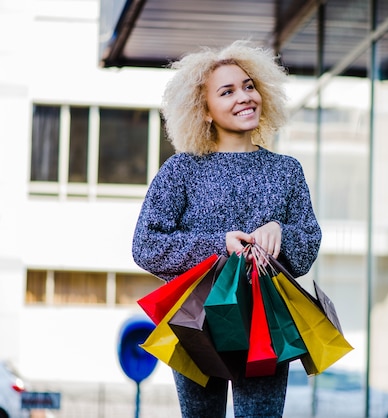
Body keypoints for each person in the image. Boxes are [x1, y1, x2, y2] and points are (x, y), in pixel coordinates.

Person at [131, 40, 322, 418]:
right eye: (227, 91)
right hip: (196, 320)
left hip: (266, 322)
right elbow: (146, 246)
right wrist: (219, 245)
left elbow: (308, 245)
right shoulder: (180, 170)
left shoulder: (286, 171)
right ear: (203, 110)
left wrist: (280, 232)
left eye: (249, 86)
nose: (244, 97)